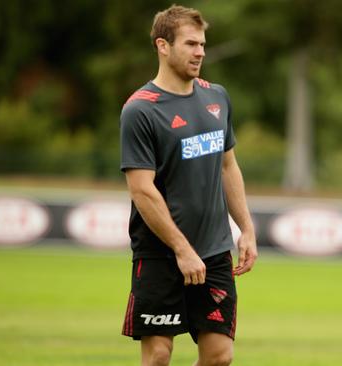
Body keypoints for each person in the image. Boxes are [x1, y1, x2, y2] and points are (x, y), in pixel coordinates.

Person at [119, 5, 257, 366]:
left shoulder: (217, 97)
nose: (200, 52)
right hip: (161, 254)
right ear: (162, 46)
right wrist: (181, 249)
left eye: (203, 44)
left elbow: (228, 165)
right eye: (191, 44)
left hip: (213, 251)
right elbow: (142, 190)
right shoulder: (140, 110)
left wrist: (246, 228)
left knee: (219, 357)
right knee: (158, 356)